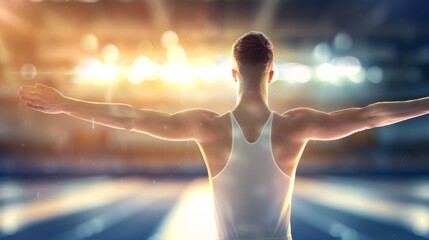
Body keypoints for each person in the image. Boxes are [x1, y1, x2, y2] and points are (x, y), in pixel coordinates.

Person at [19, 31, 429, 240]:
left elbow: (129, 118)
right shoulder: (294, 127)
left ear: (233, 73)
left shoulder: (209, 129)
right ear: (272, 73)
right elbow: (372, 116)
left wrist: (66, 104)